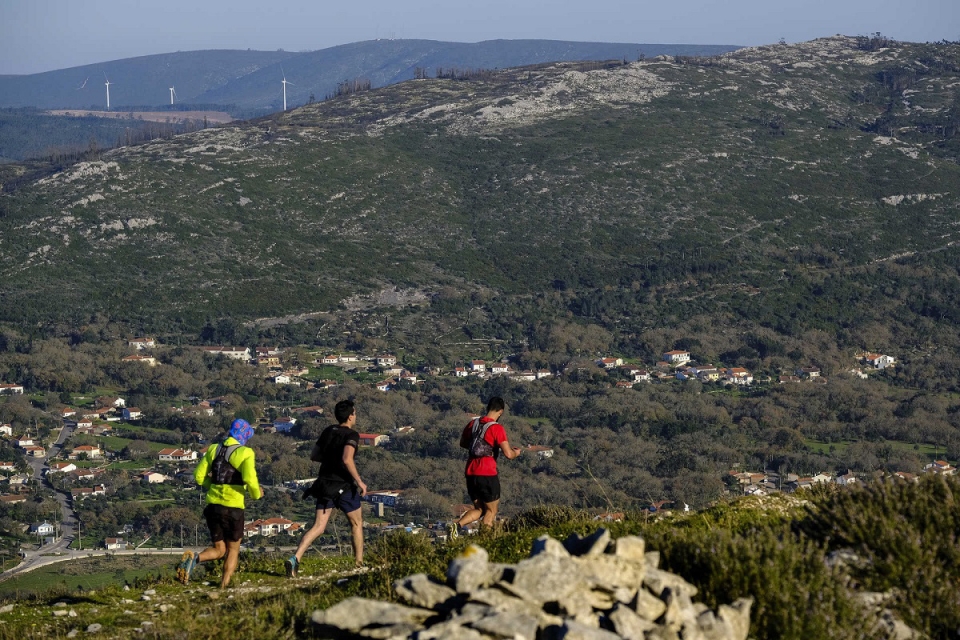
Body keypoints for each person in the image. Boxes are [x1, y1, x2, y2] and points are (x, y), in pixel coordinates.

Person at [286, 399, 368, 577]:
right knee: (356, 523)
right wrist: (359, 481)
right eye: (355, 413)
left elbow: (314, 455)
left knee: (318, 526)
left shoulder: (328, 431)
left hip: (324, 484)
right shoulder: (352, 435)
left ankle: (295, 558)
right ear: (351, 416)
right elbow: (347, 459)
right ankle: (358, 563)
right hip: (344, 486)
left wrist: (330, 459)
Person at [177, 418, 261, 588]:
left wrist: (212, 486)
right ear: (244, 435)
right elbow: (249, 479)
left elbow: (199, 477)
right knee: (233, 550)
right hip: (234, 508)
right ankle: (224, 586)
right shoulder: (245, 453)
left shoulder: (214, 449)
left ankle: (194, 559)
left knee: (219, 550)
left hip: (213, 507)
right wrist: (256, 494)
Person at [451, 396, 520, 537]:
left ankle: (456, 526)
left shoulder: (473, 424)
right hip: (487, 473)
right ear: (500, 411)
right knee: (491, 511)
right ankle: (484, 540)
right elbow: (508, 454)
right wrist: (516, 453)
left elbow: (463, 443)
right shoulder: (497, 428)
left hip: (470, 472)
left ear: (488, 408)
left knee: (479, 509)